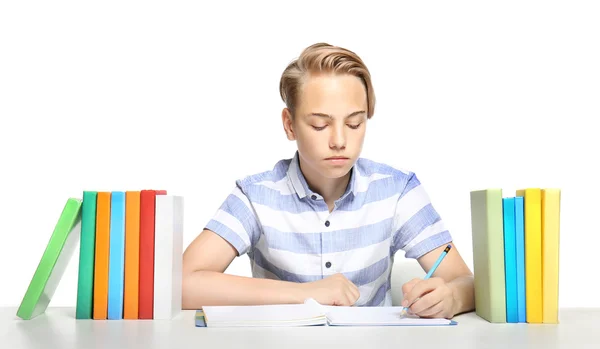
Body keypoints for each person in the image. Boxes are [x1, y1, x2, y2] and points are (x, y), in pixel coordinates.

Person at [182, 42, 475, 319]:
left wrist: (450, 297)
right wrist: (305, 294)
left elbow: (465, 280)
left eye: (354, 123)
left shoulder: (397, 190)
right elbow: (182, 284)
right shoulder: (255, 196)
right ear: (289, 124)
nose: (339, 141)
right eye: (320, 124)